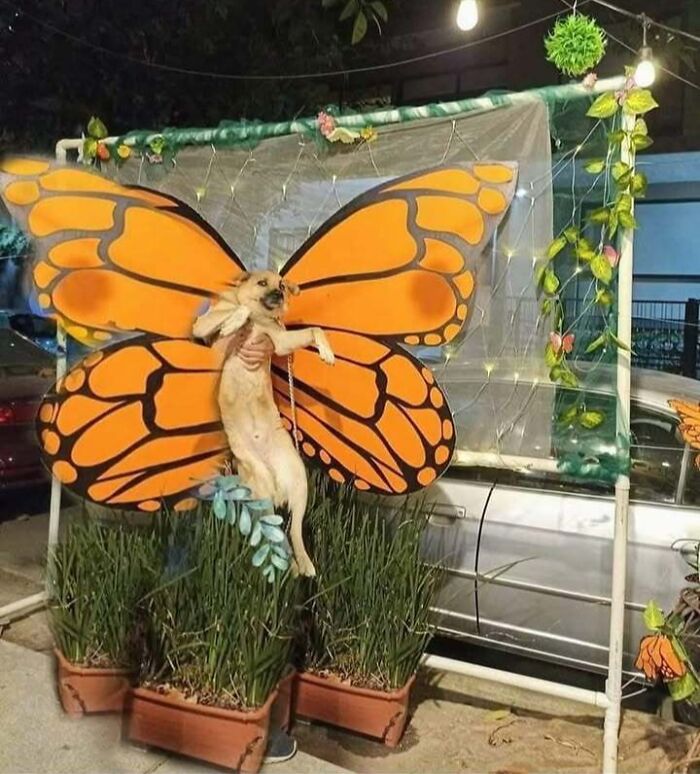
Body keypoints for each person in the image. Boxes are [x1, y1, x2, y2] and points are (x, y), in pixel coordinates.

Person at [225, 325, 298, 764]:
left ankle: (247, 716)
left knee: (259, 586)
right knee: (247, 590)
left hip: (248, 456)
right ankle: (241, 724)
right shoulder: (222, 312)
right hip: (225, 462)